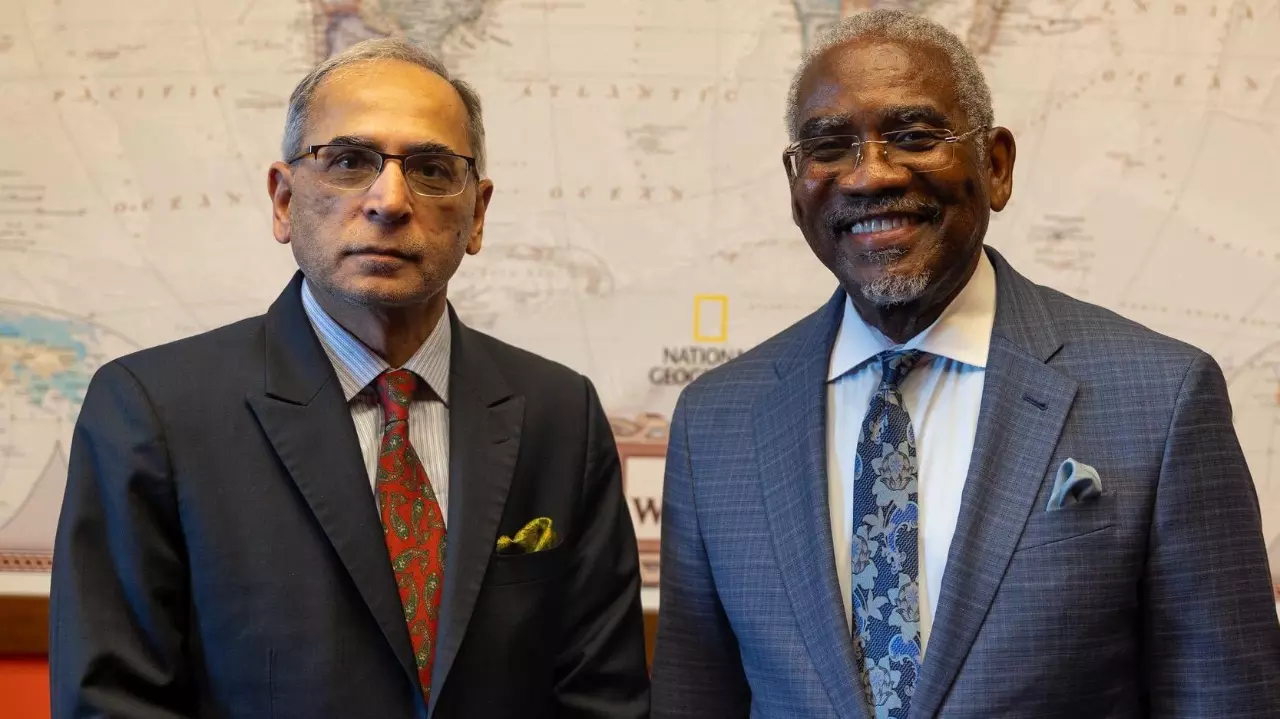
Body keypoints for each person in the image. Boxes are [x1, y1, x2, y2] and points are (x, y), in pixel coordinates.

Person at [650, 9, 1280, 718]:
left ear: (996, 166)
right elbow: (694, 698)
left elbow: (1227, 699)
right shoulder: (717, 423)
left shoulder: (1162, 397)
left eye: (914, 136)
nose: (870, 176)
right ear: (797, 186)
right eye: (830, 146)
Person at [49, 38, 650, 719]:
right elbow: (111, 703)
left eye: (429, 168)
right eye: (348, 161)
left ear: (477, 213)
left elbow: (602, 695)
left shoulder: (558, 414)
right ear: (283, 200)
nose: (389, 200)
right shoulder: (152, 411)